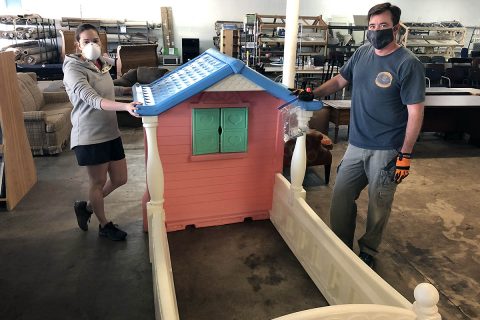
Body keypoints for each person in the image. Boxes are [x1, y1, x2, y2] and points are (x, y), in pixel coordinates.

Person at [312, 3, 425, 268]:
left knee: (378, 205)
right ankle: (341, 247)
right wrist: (314, 93)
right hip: (357, 144)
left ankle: (369, 252)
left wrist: (405, 155)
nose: (375, 32)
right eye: (371, 26)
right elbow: (340, 80)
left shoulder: (408, 64)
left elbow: (415, 114)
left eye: (382, 26)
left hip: (387, 149)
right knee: (341, 196)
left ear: (396, 28)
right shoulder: (362, 54)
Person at [63, 23, 141, 241]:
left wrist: (125, 90)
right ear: (77, 44)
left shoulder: (98, 63)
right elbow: (91, 98)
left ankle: (86, 207)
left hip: (110, 131)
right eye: (86, 41)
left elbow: (105, 89)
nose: (91, 44)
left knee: (120, 178)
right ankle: (105, 225)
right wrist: (125, 106)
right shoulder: (73, 69)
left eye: (95, 40)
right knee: (97, 183)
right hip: (90, 135)